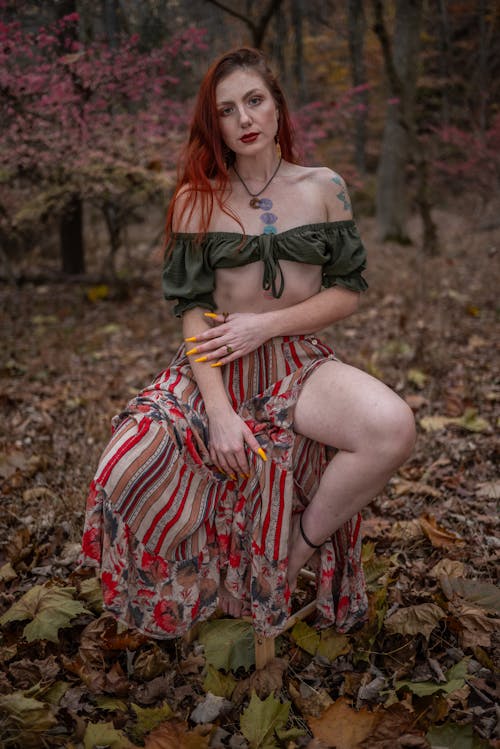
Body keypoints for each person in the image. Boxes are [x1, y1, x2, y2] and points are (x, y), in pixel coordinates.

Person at [79, 47, 415, 640]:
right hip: (213, 361)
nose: (245, 119)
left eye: (254, 101)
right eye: (227, 110)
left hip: (296, 363)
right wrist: (218, 410)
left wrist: (267, 324)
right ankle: (183, 592)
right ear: (216, 124)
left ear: (278, 107)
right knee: (121, 465)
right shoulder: (196, 198)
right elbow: (192, 311)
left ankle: (289, 556)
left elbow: (347, 291)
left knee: (392, 425)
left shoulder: (324, 187)